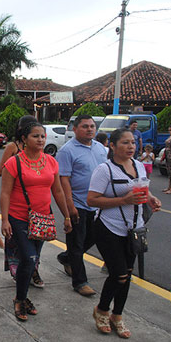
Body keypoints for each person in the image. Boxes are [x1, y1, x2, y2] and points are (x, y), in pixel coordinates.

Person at [87, 128, 162, 338]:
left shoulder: (139, 166)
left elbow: (141, 189)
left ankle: (117, 315)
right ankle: (102, 310)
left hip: (134, 228)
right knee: (118, 273)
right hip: (109, 228)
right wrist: (123, 201)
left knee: (127, 274)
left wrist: (150, 198)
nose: (131, 147)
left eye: (133, 143)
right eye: (125, 143)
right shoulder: (105, 170)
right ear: (112, 146)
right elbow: (92, 200)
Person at [0, 122, 72, 322]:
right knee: (29, 258)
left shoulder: (50, 161)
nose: (40, 140)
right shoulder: (13, 163)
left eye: (43, 136)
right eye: (35, 136)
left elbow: (57, 191)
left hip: (42, 218)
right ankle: (20, 299)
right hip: (19, 218)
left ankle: (21, 296)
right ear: (24, 139)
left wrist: (66, 216)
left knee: (33, 259)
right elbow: (5, 193)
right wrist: (5, 220)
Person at [55, 115, 108, 297]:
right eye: (85, 126)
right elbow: (64, 180)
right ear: (75, 129)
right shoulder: (67, 151)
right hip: (78, 203)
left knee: (93, 237)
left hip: (98, 204)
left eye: (92, 126)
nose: (90, 129)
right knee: (76, 243)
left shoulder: (101, 148)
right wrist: (70, 206)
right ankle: (80, 281)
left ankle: (66, 258)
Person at [0, 115, 46, 287]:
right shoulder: (13, 147)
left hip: (38, 209)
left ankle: (33, 271)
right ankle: (18, 273)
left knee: (35, 247)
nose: (39, 138)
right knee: (17, 247)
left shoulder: (41, 154)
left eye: (41, 135)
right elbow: (0, 171)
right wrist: (17, 171)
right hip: (17, 204)